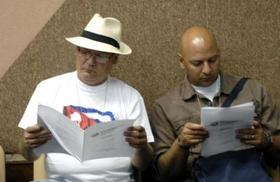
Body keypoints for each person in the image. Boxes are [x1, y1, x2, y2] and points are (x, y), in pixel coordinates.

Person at [18, 13, 154, 182]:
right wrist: (27, 143)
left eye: (101, 55)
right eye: (85, 52)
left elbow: (143, 164)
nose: (90, 61)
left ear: (115, 59)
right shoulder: (48, 89)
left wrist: (141, 147)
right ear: (76, 51)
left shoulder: (131, 97)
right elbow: (28, 156)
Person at [150, 26, 280, 181]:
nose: (207, 70)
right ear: (181, 62)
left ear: (219, 54)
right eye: (197, 63)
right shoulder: (166, 106)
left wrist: (266, 141)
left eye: (212, 60)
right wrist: (181, 144)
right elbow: (164, 173)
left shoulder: (252, 90)